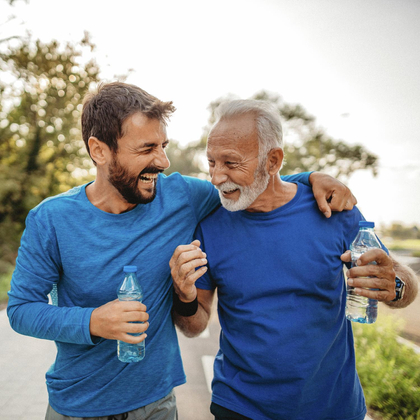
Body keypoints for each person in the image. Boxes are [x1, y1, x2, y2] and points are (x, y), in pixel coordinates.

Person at [8, 82, 357, 420]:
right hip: (76, 404)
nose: (163, 161)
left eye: (163, 145)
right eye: (147, 149)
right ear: (99, 150)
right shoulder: (51, 220)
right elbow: (21, 310)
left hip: (155, 404)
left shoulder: (182, 198)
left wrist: (312, 178)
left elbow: (253, 183)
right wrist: (92, 321)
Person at [170, 99, 419, 420]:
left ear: (273, 161)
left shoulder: (333, 209)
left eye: (231, 163)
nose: (217, 177)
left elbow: (405, 287)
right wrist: (185, 297)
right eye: (211, 162)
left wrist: (395, 287)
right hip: (240, 408)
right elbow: (195, 325)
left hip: (334, 408)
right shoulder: (209, 225)